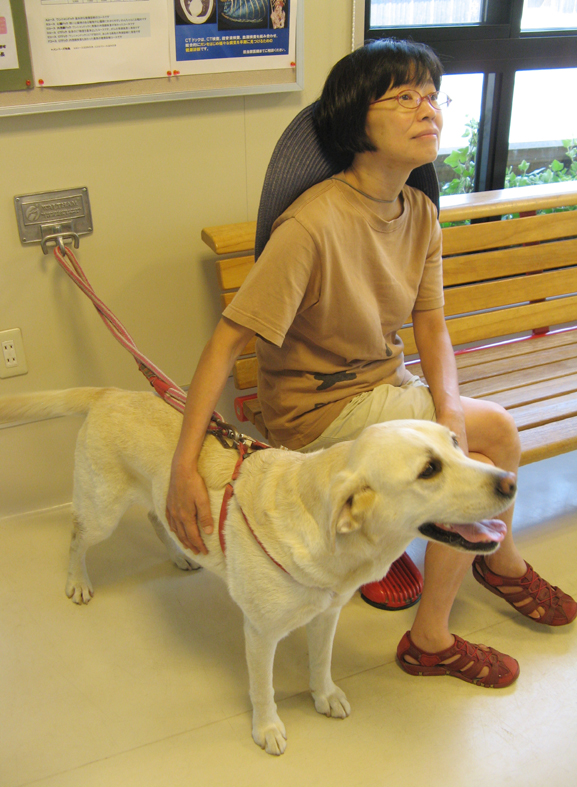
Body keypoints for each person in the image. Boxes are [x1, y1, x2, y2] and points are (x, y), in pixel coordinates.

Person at [166, 38, 576, 688]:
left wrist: (447, 411)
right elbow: (226, 344)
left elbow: (431, 325)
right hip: (316, 411)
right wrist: (182, 467)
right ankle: (457, 611)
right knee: (496, 433)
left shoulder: (419, 213)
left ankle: (476, 577)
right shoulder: (311, 225)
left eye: (432, 96)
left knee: (470, 438)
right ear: (356, 121)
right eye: (404, 96)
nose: (428, 109)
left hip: (385, 387)